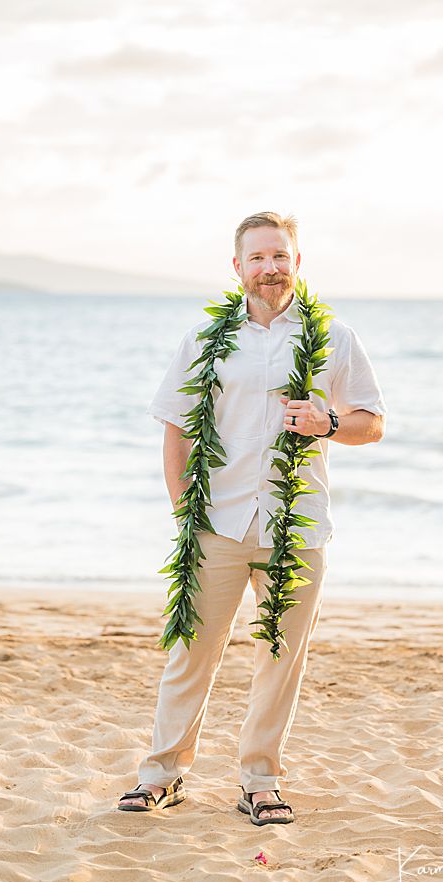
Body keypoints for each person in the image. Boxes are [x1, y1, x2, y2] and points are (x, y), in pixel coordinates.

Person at [116, 212, 385, 824]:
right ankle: (162, 775)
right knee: (191, 650)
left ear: (297, 262)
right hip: (219, 521)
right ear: (237, 267)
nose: (270, 268)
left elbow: (373, 423)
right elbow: (176, 425)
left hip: (299, 525)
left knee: (282, 654)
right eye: (258, 258)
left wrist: (328, 424)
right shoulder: (205, 340)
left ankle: (260, 781)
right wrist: (184, 506)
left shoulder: (335, 338)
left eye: (280, 256)